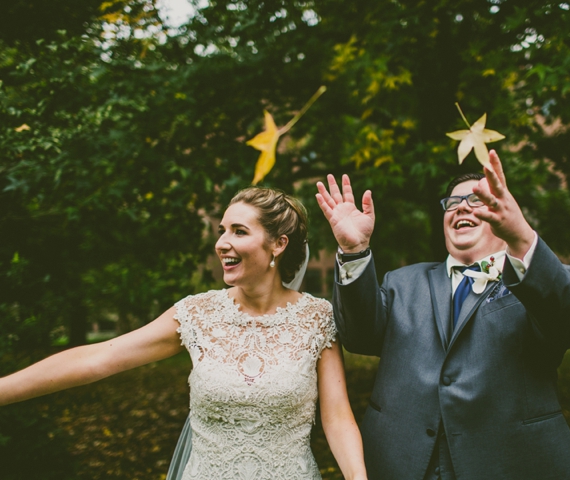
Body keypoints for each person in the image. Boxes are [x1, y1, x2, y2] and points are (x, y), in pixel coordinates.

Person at [0, 187, 368, 480]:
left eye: (239, 231)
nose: (221, 242)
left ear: (278, 244)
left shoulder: (316, 318)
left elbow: (336, 417)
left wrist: (357, 477)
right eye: (222, 229)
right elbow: (100, 358)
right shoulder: (196, 314)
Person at [315, 150, 570, 479]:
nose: (461, 206)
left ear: (503, 212)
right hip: (403, 464)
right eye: (452, 202)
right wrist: (354, 251)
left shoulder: (541, 280)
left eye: (475, 199)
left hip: (508, 464)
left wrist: (521, 237)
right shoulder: (402, 283)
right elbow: (358, 336)